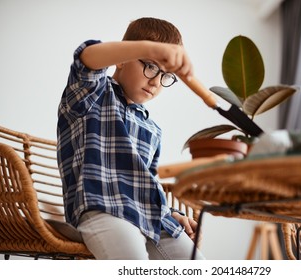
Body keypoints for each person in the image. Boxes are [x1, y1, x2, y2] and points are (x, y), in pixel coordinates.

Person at [57, 17, 204, 260]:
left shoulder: (152, 128)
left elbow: (149, 183)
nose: (156, 81)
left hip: (152, 219)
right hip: (104, 210)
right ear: (123, 59)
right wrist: (150, 48)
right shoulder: (92, 96)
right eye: (151, 66)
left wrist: (170, 213)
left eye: (166, 76)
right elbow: (87, 58)